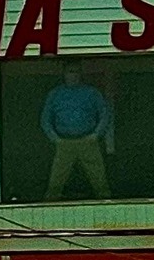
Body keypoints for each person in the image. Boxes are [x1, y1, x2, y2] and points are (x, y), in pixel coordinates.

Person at [42, 62, 114, 198]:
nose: (73, 75)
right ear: (64, 74)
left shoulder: (92, 93)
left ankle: (106, 205)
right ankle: (49, 207)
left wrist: (96, 134)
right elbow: (45, 118)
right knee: (56, 180)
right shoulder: (55, 94)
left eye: (76, 72)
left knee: (99, 178)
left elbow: (105, 113)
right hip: (64, 142)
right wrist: (54, 138)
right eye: (70, 72)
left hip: (88, 141)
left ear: (81, 74)